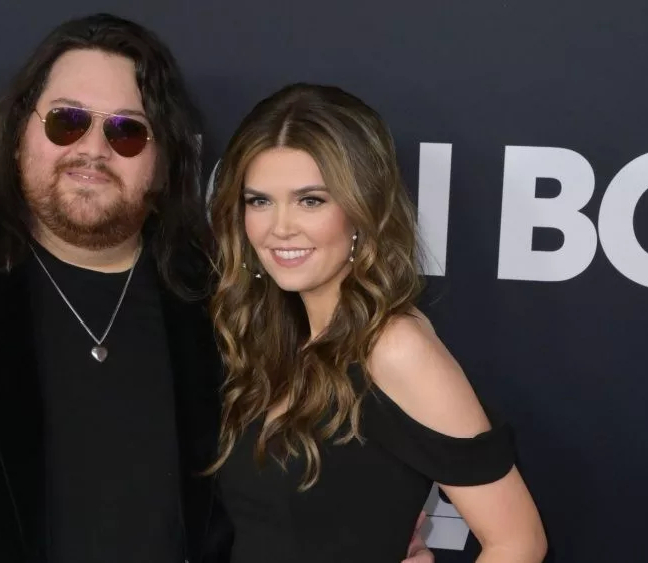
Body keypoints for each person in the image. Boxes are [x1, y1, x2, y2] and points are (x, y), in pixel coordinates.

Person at [0, 13, 433, 563]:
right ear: (19, 133)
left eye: (126, 130)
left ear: (162, 159)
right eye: (67, 121)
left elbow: (285, 493)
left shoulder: (221, 303)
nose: (92, 148)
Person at [205, 82, 549, 562]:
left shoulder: (393, 347)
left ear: (362, 210)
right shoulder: (276, 337)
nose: (279, 226)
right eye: (259, 200)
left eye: (311, 200)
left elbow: (518, 543)